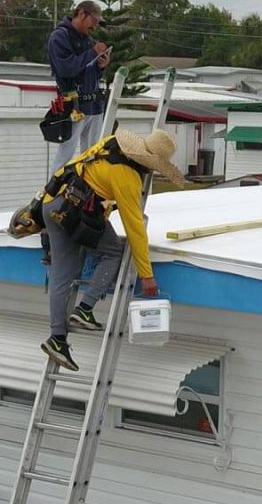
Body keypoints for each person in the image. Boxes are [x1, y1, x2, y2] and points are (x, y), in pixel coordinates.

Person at [40, 128, 185, 371]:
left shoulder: (111, 143)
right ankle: (78, 315)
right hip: (74, 214)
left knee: (64, 274)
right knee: (111, 253)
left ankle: (63, 332)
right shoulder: (128, 176)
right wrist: (146, 274)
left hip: (53, 203)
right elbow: (134, 227)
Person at [47, 0, 110, 164]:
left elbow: (89, 72)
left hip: (94, 105)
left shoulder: (88, 41)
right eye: (93, 22)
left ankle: (87, 188)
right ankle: (53, 189)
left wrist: (101, 66)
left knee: (92, 155)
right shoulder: (60, 37)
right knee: (65, 154)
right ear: (82, 14)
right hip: (73, 106)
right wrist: (92, 54)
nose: (94, 27)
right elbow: (65, 69)